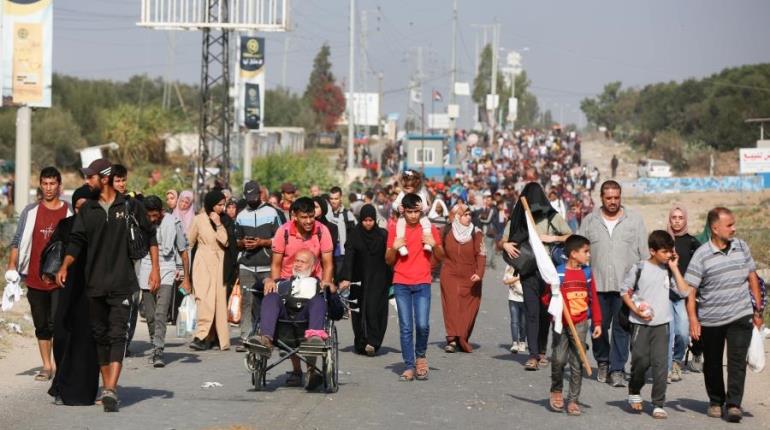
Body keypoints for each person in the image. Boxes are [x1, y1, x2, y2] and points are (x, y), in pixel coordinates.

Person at [56, 158, 161, 412]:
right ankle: (107, 388)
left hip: (123, 283)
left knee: (117, 335)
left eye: (90, 177)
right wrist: (65, 265)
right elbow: (76, 241)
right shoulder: (89, 209)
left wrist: (155, 269)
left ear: (104, 178)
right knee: (100, 336)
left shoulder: (130, 206)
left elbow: (150, 237)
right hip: (95, 284)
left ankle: (111, 388)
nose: (87, 181)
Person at [685, 207, 764, 423]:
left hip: (741, 314)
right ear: (715, 228)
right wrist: (693, 319)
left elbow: (752, 277)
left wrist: (758, 310)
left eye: (733, 224)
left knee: (737, 361)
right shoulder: (701, 255)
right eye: (729, 225)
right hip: (711, 319)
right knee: (712, 362)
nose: (734, 229)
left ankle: (734, 404)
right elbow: (690, 290)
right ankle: (716, 401)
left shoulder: (741, 247)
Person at [251, 197, 334, 390]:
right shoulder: (284, 232)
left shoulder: (322, 231)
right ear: (294, 216)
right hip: (288, 286)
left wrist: (326, 283)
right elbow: (276, 264)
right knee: (271, 297)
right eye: (304, 217)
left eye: (311, 217)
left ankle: (312, 367)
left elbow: (328, 263)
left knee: (317, 303)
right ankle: (266, 341)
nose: (308, 221)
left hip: (312, 287)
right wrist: (273, 282)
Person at [577, 180, 648, 386]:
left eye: (616, 198)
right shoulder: (590, 221)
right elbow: (580, 253)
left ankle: (617, 369)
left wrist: (644, 282)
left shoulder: (634, 221)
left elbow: (643, 254)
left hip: (624, 288)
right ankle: (603, 362)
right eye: (609, 198)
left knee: (621, 328)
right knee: (598, 327)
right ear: (601, 198)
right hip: (597, 287)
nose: (613, 202)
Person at [8, 167, 72, 382]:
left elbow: (77, 244)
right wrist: (11, 266)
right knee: (41, 325)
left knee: (58, 323)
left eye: (52, 183)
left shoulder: (69, 212)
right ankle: (47, 366)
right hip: (34, 278)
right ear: (40, 185)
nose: (48, 188)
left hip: (60, 280)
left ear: (59, 186)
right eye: (45, 183)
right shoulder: (30, 211)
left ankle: (61, 364)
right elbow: (17, 241)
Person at [500, 182, 571, 371]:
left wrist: (551, 238)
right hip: (527, 270)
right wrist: (505, 245)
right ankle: (532, 355)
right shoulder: (517, 218)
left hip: (547, 271)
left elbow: (569, 236)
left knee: (544, 313)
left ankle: (541, 350)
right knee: (531, 312)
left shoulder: (551, 216)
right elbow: (503, 240)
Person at [623, 231, 692, 419]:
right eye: (664, 251)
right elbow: (624, 292)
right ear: (652, 251)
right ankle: (635, 390)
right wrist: (635, 310)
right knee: (640, 361)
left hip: (662, 325)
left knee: (661, 365)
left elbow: (685, 292)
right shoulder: (638, 268)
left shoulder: (668, 270)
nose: (668, 254)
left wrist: (675, 268)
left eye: (671, 251)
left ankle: (658, 403)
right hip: (640, 324)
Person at [47, 185, 99, 406]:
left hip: (93, 291)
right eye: (77, 208)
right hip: (68, 291)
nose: (81, 212)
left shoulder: (100, 228)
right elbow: (53, 251)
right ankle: (61, 384)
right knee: (61, 336)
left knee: (88, 342)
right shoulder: (65, 225)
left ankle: (87, 390)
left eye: (85, 207)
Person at [385, 193, 444, 381]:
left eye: (416, 212)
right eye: (409, 212)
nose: (412, 216)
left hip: (422, 282)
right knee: (405, 326)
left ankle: (421, 356)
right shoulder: (396, 229)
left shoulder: (429, 229)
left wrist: (434, 245)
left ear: (421, 211)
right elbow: (388, 260)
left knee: (422, 324)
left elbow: (442, 256)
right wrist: (394, 247)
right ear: (404, 211)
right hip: (401, 282)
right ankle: (409, 364)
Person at [549, 235, 602, 416]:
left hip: (580, 323)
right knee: (558, 359)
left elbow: (593, 298)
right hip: (560, 323)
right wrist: (553, 298)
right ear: (573, 253)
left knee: (577, 362)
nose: (588, 255)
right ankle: (556, 391)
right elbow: (545, 297)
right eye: (585, 252)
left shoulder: (586, 273)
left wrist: (597, 322)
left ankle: (572, 399)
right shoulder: (558, 273)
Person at [139, 196, 191, 367]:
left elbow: (183, 251)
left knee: (161, 313)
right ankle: (154, 340)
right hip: (146, 267)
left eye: (155, 215)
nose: (152, 219)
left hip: (167, 268)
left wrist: (187, 279)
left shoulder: (174, 222)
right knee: (150, 314)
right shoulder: (141, 222)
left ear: (161, 212)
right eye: (149, 216)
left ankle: (158, 349)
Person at [234, 181, 283, 352]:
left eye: (254, 197)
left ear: (260, 194)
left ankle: (268, 337)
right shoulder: (240, 215)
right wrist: (242, 243)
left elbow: (281, 238)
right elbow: (236, 240)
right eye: (249, 197)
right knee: (247, 301)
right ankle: (245, 337)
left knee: (269, 301)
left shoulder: (272, 213)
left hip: (267, 265)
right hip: (247, 265)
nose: (252, 200)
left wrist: (263, 242)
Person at [339, 205, 392, 356]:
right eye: (365, 220)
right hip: (359, 279)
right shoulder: (355, 235)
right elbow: (349, 257)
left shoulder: (382, 235)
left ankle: (373, 341)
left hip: (379, 279)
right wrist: (345, 278)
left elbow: (389, 258)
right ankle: (361, 341)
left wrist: (393, 278)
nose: (368, 223)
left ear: (375, 220)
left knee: (375, 309)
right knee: (359, 311)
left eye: (370, 220)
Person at [188, 189, 230, 351]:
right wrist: (184, 269)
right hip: (202, 262)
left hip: (220, 263)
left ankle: (215, 337)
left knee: (218, 301)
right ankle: (201, 335)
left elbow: (225, 241)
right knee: (204, 300)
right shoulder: (198, 220)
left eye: (223, 204)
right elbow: (189, 243)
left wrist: (219, 224)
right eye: (219, 205)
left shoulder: (225, 220)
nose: (221, 208)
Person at [440, 203, 485, 353]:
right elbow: (437, 252)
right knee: (451, 306)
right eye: (464, 214)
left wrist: (479, 273)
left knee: (468, 309)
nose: (468, 217)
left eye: (469, 214)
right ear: (457, 216)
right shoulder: (446, 231)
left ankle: (462, 336)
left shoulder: (476, 233)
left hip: (470, 276)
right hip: (449, 274)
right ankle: (452, 338)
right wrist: (426, 270)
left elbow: (481, 254)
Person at [665, 204, 701, 381]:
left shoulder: (692, 242)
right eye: (674, 217)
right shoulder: (662, 240)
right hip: (663, 294)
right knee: (667, 332)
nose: (677, 221)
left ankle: (677, 361)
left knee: (681, 332)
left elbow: (701, 268)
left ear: (685, 220)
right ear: (669, 219)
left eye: (680, 218)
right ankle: (667, 366)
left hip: (684, 295)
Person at [392, 171, 433, 256]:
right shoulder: (402, 194)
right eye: (406, 187)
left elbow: (426, 207)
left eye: (410, 187)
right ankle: (401, 246)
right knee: (399, 226)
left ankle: (427, 243)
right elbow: (394, 204)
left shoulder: (420, 194)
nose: (407, 190)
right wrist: (398, 207)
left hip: (420, 215)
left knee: (427, 224)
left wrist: (422, 208)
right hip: (404, 215)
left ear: (416, 186)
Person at [326, 186, 357, 281]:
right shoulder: (325, 214)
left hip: (342, 252)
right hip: (328, 252)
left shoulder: (348, 215)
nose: (333, 201)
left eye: (336, 198)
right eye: (331, 198)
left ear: (341, 198)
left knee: (340, 279)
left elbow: (355, 233)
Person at [503, 266, 526, 354]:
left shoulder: (527, 266)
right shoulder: (510, 266)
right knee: (514, 321)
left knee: (524, 323)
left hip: (525, 299)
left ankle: (522, 342)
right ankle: (515, 343)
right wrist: (518, 277)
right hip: (513, 298)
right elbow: (505, 281)